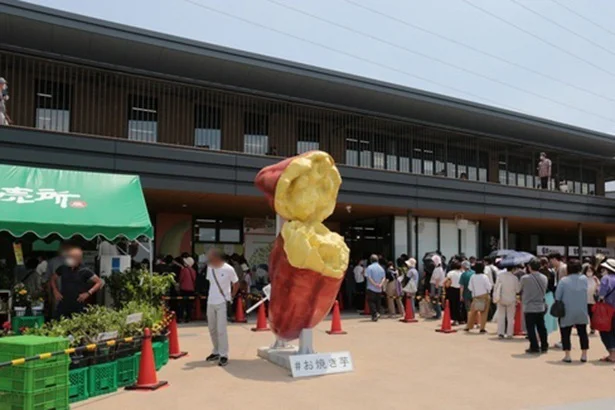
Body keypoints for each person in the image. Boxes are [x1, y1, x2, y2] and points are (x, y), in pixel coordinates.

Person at [205, 248, 239, 367]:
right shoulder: (210, 268)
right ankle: (216, 351)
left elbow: (236, 283)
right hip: (210, 301)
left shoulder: (229, 269)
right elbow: (210, 283)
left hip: (222, 302)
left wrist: (231, 296)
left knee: (221, 329)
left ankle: (224, 354)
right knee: (212, 329)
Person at [50, 245, 103, 319]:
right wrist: (55, 291)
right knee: (58, 322)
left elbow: (99, 282)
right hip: (64, 302)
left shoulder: (84, 270)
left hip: (78, 303)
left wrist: (88, 293)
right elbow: (52, 278)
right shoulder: (63, 268)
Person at [555, 260, 589, 363]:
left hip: (567, 310)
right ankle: (584, 355)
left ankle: (567, 355)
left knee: (565, 332)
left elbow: (557, 296)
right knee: (582, 332)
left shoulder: (564, 281)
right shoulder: (584, 279)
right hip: (582, 310)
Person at [520, 258, 548, 354]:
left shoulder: (525, 278)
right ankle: (544, 345)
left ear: (529, 267)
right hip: (540, 306)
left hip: (529, 306)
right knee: (541, 327)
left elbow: (520, 289)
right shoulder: (544, 278)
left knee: (530, 328)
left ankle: (534, 346)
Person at [465, 262, 492, 333]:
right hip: (484, 296)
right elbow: (489, 287)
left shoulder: (473, 276)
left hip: (475, 296)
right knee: (484, 313)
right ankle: (482, 328)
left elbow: (470, 287)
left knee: (473, 312)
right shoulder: (485, 276)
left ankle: (468, 326)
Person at [494, 266, 520, 338]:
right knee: (510, 317)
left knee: (501, 316)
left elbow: (496, 287)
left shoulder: (500, 276)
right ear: (513, 269)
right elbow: (518, 290)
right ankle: (509, 333)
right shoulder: (515, 278)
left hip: (501, 299)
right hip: (511, 299)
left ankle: (500, 333)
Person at [598, 259, 615, 362]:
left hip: (608, 309)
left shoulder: (606, 279)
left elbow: (601, 295)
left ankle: (612, 354)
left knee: (605, 330)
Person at [540, 258, 558, 336]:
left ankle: (540, 332)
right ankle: (547, 331)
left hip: (540, 295)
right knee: (548, 316)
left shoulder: (538, 272)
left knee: (540, 316)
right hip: (549, 295)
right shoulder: (552, 272)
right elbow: (554, 286)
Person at [365, 254, 386, 322]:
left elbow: (369, 277)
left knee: (371, 301)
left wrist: (374, 284)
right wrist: (380, 284)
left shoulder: (369, 267)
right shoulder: (381, 268)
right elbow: (384, 278)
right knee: (378, 302)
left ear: (371, 260)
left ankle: (374, 314)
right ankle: (377, 313)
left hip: (371, 288)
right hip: (379, 288)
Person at [177, 257, 197, 323]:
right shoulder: (193, 271)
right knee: (189, 305)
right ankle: (188, 318)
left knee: (182, 305)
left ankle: (180, 317)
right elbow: (194, 280)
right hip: (191, 290)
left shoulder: (183, 270)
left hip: (184, 289)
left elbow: (180, 279)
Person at [583, 264, 600, 335]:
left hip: (592, 300)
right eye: (588, 270)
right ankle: (582, 328)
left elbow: (599, 287)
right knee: (584, 315)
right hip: (584, 300)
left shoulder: (595, 278)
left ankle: (592, 328)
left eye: (590, 270)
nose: (589, 272)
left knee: (592, 315)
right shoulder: (583, 278)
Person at [445, 261, 462, 325]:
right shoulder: (461, 273)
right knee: (459, 305)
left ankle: (454, 319)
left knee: (452, 305)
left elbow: (448, 281)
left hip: (452, 290)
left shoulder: (450, 273)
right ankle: (460, 319)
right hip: (460, 289)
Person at [430, 254, 445, 320]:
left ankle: (438, 314)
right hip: (437, 285)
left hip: (436, 285)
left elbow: (437, 279)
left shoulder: (438, 269)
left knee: (435, 300)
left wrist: (436, 289)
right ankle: (438, 314)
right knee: (435, 300)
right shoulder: (439, 268)